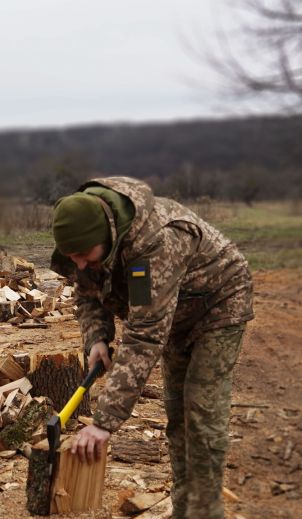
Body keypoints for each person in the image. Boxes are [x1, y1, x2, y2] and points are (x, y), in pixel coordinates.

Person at [50, 176, 254, 519]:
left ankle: (205, 513)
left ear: (109, 238)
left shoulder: (155, 243)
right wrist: (96, 337)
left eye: (84, 255)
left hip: (218, 304)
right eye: (73, 257)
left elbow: (144, 335)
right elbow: (87, 292)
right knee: (178, 415)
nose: (79, 263)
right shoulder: (85, 239)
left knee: (201, 412)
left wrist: (103, 422)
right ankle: (184, 509)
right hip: (172, 312)